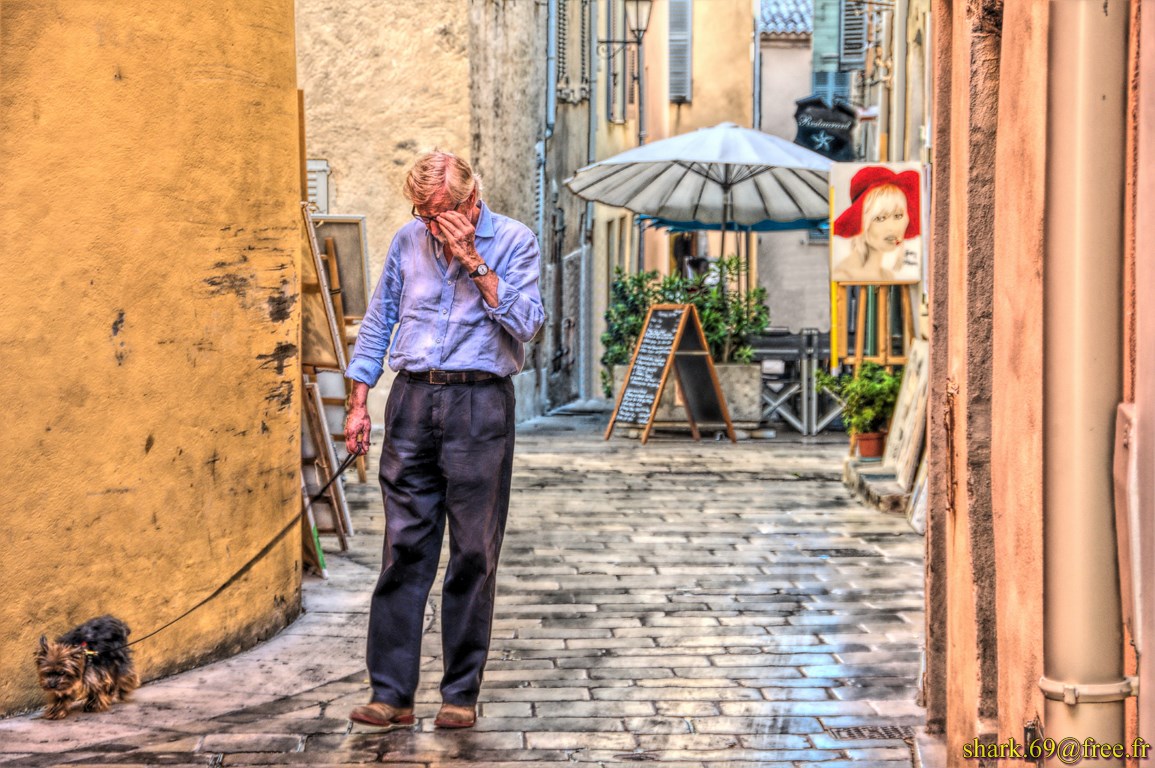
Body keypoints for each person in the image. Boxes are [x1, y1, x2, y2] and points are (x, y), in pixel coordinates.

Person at [342, 151, 545, 730]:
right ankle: (391, 695)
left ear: (470, 201)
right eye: (423, 213)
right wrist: (359, 402)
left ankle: (460, 693)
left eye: (442, 214)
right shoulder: (408, 240)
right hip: (411, 399)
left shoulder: (514, 240)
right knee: (404, 548)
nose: (432, 225)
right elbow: (380, 319)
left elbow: (528, 322)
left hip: (479, 402)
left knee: (474, 551)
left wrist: (475, 262)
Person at [831, 166, 921, 283]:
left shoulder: (887, 275)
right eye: (880, 218)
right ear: (862, 222)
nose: (892, 227)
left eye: (898, 216)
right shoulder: (844, 275)